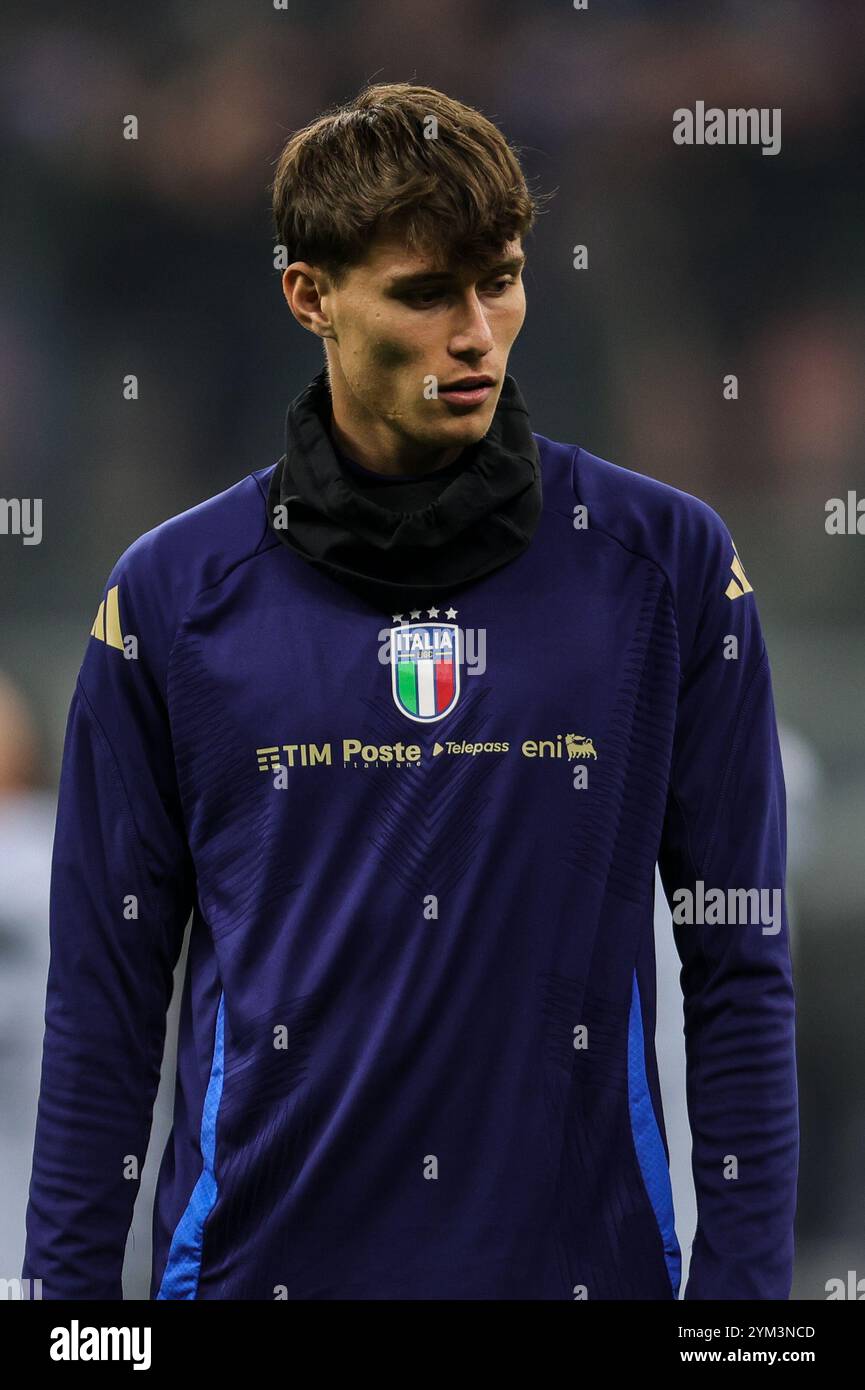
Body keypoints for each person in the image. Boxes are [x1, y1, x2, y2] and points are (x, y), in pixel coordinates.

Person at [22, 80, 798, 1301]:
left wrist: (744, 1316)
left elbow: (740, 966)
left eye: (499, 278)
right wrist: (68, 1326)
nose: (477, 331)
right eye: (426, 293)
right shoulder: (172, 596)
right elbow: (102, 1004)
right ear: (309, 295)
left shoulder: (671, 569)